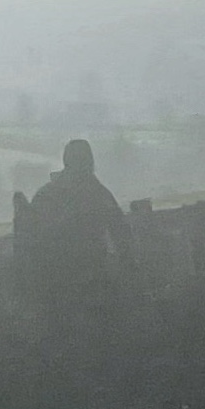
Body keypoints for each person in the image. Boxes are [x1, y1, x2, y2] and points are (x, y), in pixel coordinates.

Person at [17, 138, 131, 340]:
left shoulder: (48, 194)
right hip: (76, 285)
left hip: (64, 287)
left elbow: (121, 233)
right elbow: (121, 234)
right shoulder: (95, 193)